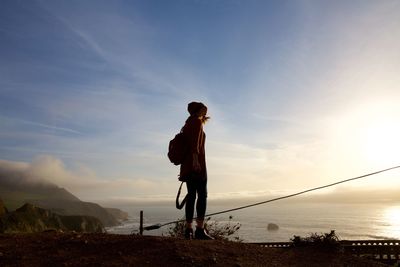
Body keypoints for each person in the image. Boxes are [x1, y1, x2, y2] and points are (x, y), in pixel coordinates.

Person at [180, 101, 213, 240]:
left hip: (187, 166)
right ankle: (199, 230)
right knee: (202, 195)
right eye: (203, 108)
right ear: (198, 110)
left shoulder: (187, 123)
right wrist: (196, 162)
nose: (205, 110)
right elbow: (195, 145)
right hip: (197, 165)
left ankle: (188, 230)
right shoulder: (196, 123)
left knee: (191, 196)